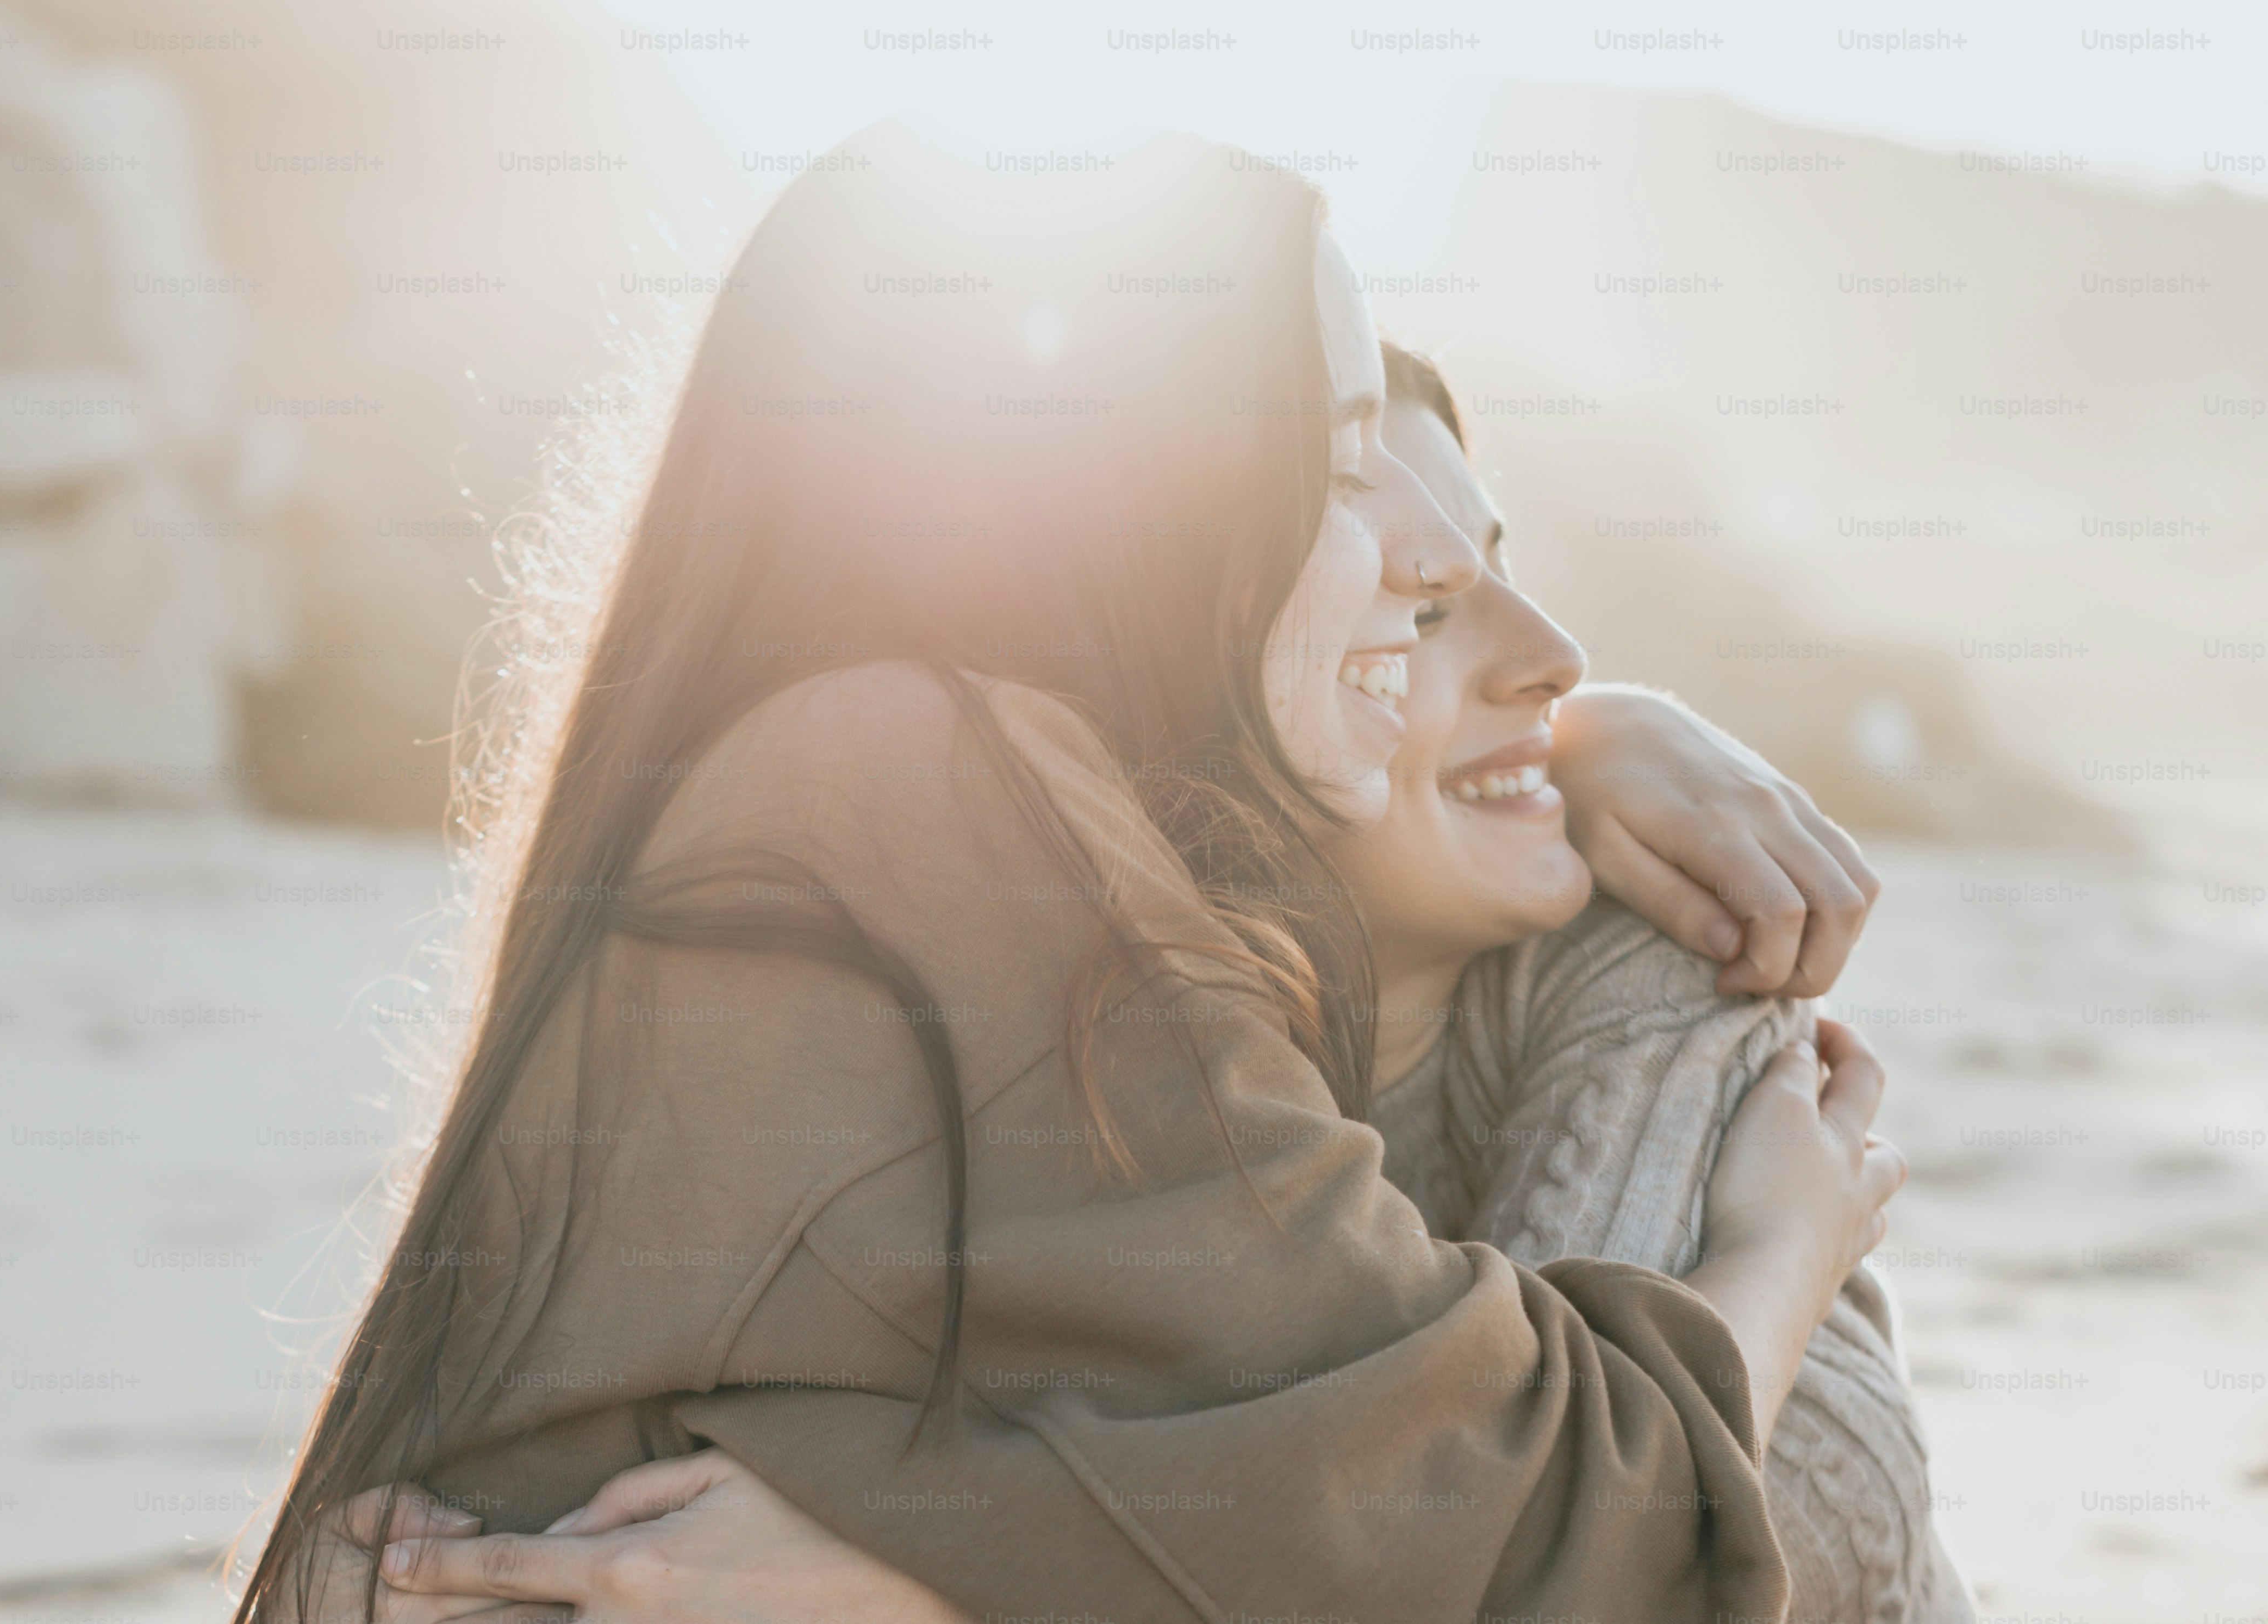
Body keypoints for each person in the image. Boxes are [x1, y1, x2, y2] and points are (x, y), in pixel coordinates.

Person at [241, 130, 1903, 1624]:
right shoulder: (932, 787)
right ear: (1131, 494)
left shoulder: (820, 770)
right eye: (1335, 467)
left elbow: (1237, 1481)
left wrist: (930, 1571)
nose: (1432, 554)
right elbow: (1536, 1521)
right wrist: (1779, 1246)